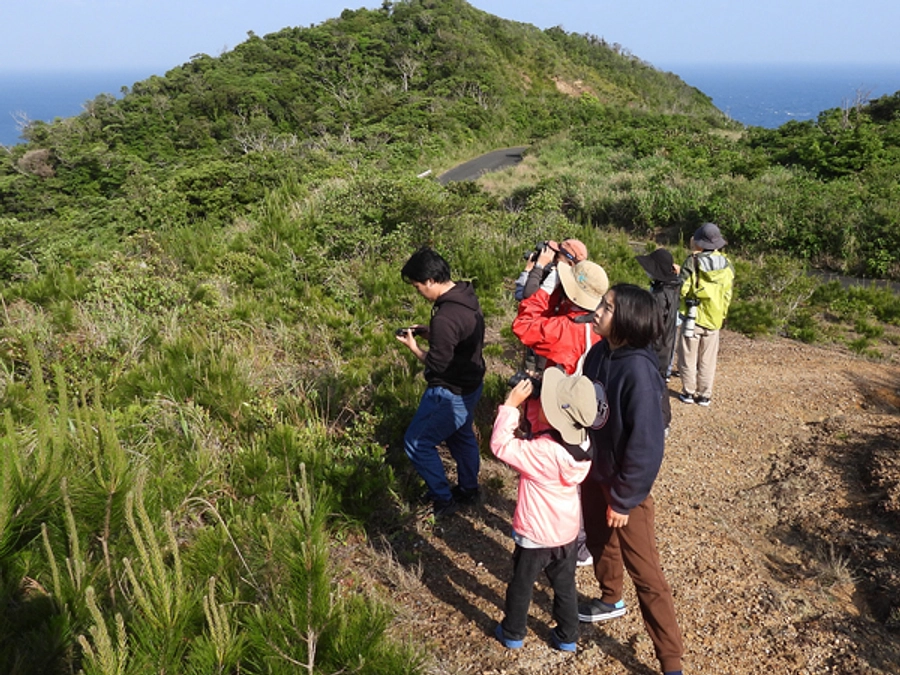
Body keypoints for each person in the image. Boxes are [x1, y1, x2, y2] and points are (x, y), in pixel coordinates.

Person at [579, 284, 685, 675]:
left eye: (607, 307)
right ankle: (610, 598)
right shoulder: (598, 353)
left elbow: (646, 446)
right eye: (602, 304)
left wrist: (624, 499)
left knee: (647, 574)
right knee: (597, 539)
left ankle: (670, 660)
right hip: (595, 469)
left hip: (624, 485)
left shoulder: (639, 371)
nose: (598, 311)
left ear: (626, 319)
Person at [491, 367, 596, 652]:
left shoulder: (542, 453)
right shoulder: (582, 443)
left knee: (522, 584)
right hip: (566, 533)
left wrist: (511, 406)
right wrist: (536, 398)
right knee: (564, 586)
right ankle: (568, 636)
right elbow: (550, 430)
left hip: (535, 534)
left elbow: (500, 445)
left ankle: (512, 632)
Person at [512, 257, 608, 567]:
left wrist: (549, 286)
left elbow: (523, 326)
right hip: (591, 409)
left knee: (557, 478)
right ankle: (582, 542)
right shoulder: (603, 326)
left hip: (556, 412)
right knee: (579, 471)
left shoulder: (561, 328)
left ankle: (563, 539)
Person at [396, 247, 486, 517]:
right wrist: (431, 333)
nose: (417, 292)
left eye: (417, 286)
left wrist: (413, 347)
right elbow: (458, 339)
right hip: (471, 385)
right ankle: (469, 489)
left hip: (450, 392)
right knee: (461, 436)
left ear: (431, 281)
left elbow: (438, 364)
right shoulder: (465, 296)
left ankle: (442, 498)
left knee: (417, 442)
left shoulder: (446, 316)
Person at [676, 222, 735, 407]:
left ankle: (688, 392)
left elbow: (683, 289)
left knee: (688, 357)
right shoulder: (727, 264)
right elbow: (727, 293)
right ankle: (704, 395)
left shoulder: (692, 261)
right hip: (715, 318)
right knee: (708, 360)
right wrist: (723, 314)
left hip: (693, 318)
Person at [635, 247, 683, 381]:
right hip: (666, 347)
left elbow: (652, 326)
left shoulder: (660, 295)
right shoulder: (673, 286)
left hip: (655, 350)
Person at [514, 238, 589, 302]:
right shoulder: (580, 279)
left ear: (570, 263)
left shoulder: (559, 280)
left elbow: (529, 298)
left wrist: (538, 267)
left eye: (558, 256)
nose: (554, 259)